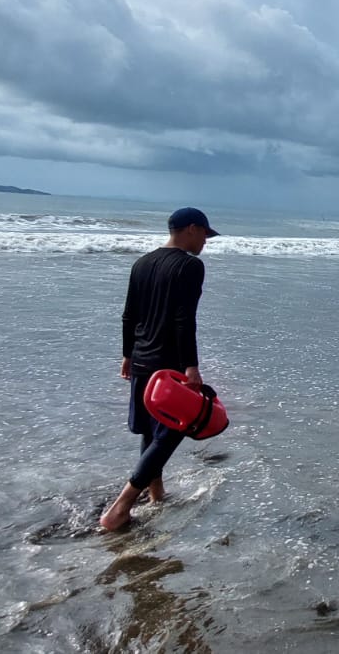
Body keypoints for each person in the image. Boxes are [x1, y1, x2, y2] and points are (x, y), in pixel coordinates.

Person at [100, 207, 219, 532]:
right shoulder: (190, 266)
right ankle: (121, 507)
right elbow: (184, 319)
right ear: (192, 229)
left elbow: (128, 314)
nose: (205, 243)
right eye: (205, 235)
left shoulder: (142, 263)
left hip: (140, 359)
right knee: (173, 432)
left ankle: (156, 494)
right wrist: (191, 366)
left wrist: (127, 355)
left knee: (152, 432)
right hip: (168, 365)